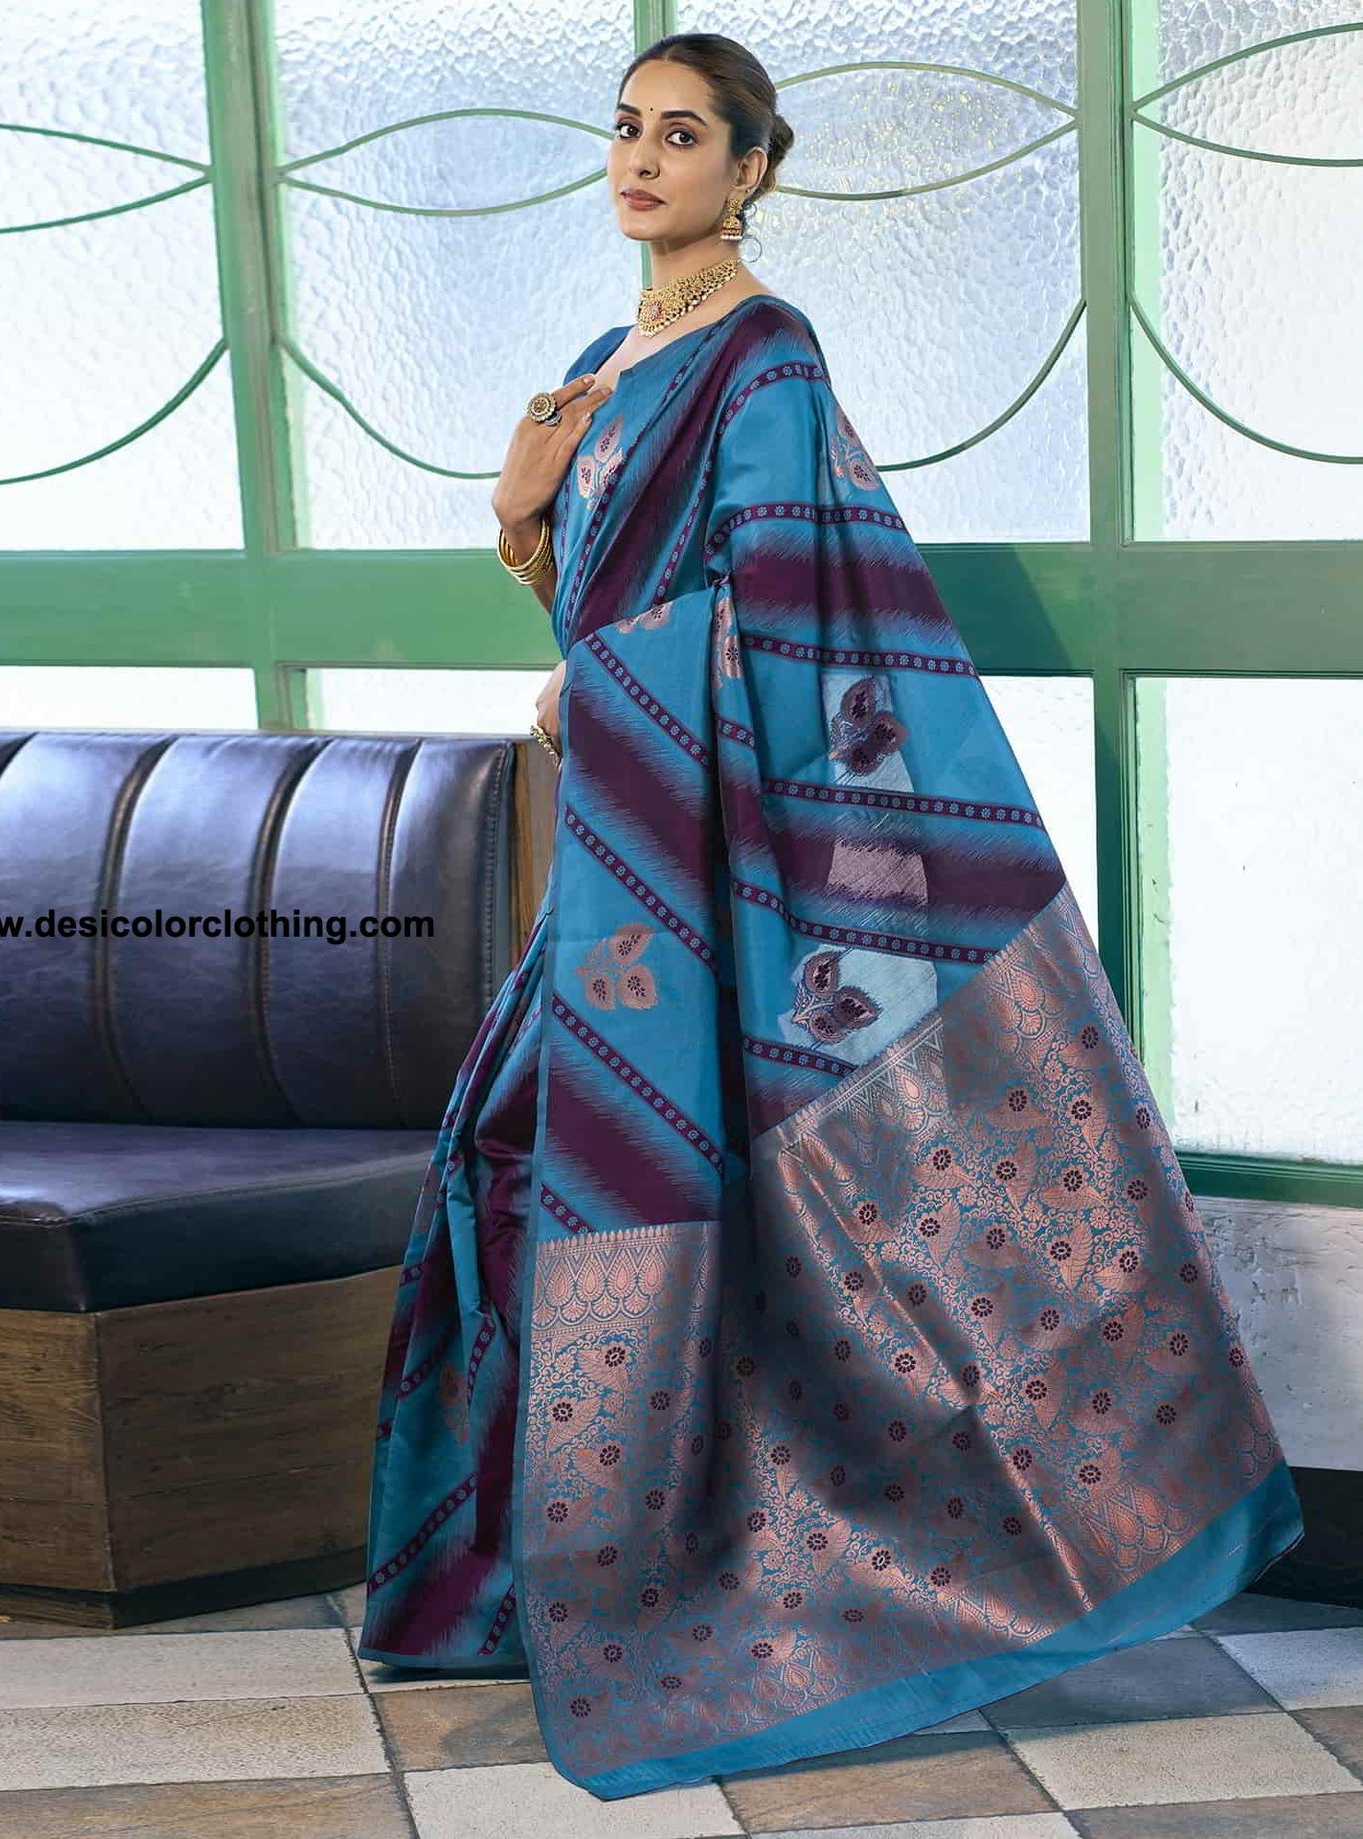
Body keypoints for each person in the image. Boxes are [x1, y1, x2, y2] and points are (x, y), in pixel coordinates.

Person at [359, 30, 1304, 1803]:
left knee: (731, 1204)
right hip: (630, 856)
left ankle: (783, 1570)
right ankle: (540, 1572)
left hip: (722, 874)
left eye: (682, 135)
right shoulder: (599, 368)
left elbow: (788, 621)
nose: (641, 160)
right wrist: (517, 523)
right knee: (509, 1153)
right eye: (624, 128)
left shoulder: (765, 357)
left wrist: (593, 689)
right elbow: (606, 609)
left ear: (751, 171)